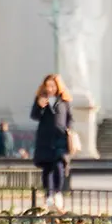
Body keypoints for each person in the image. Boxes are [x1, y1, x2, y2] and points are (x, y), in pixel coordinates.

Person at [31, 74, 72, 213]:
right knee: (47, 168)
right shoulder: (41, 99)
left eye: (52, 86)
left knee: (59, 166)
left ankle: (58, 192)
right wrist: (40, 106)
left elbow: (69, 118)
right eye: (47, 86)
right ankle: (49, 195)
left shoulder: (64, 101)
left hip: (60, 139)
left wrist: (69, 131)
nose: (50, 89)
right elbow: (34, 116)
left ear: (58, 87)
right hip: (45, 139)